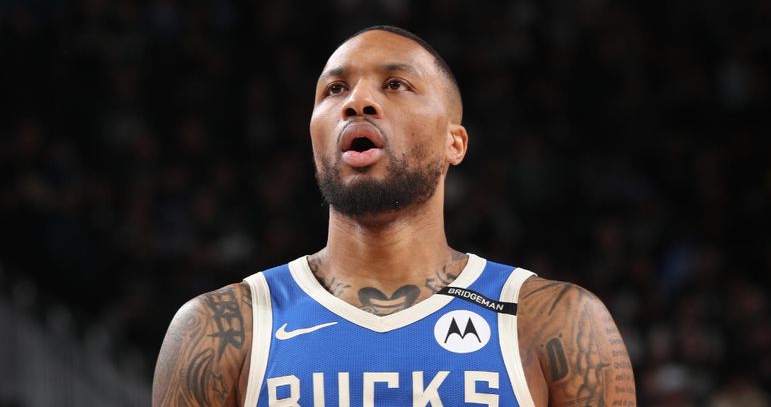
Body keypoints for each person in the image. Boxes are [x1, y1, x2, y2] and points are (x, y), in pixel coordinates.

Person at [152, 25, 637, 407]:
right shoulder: (220, 328)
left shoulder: (556, 322)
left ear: (455, 143)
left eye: (396, 84)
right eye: (334, 89)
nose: (357, 101)